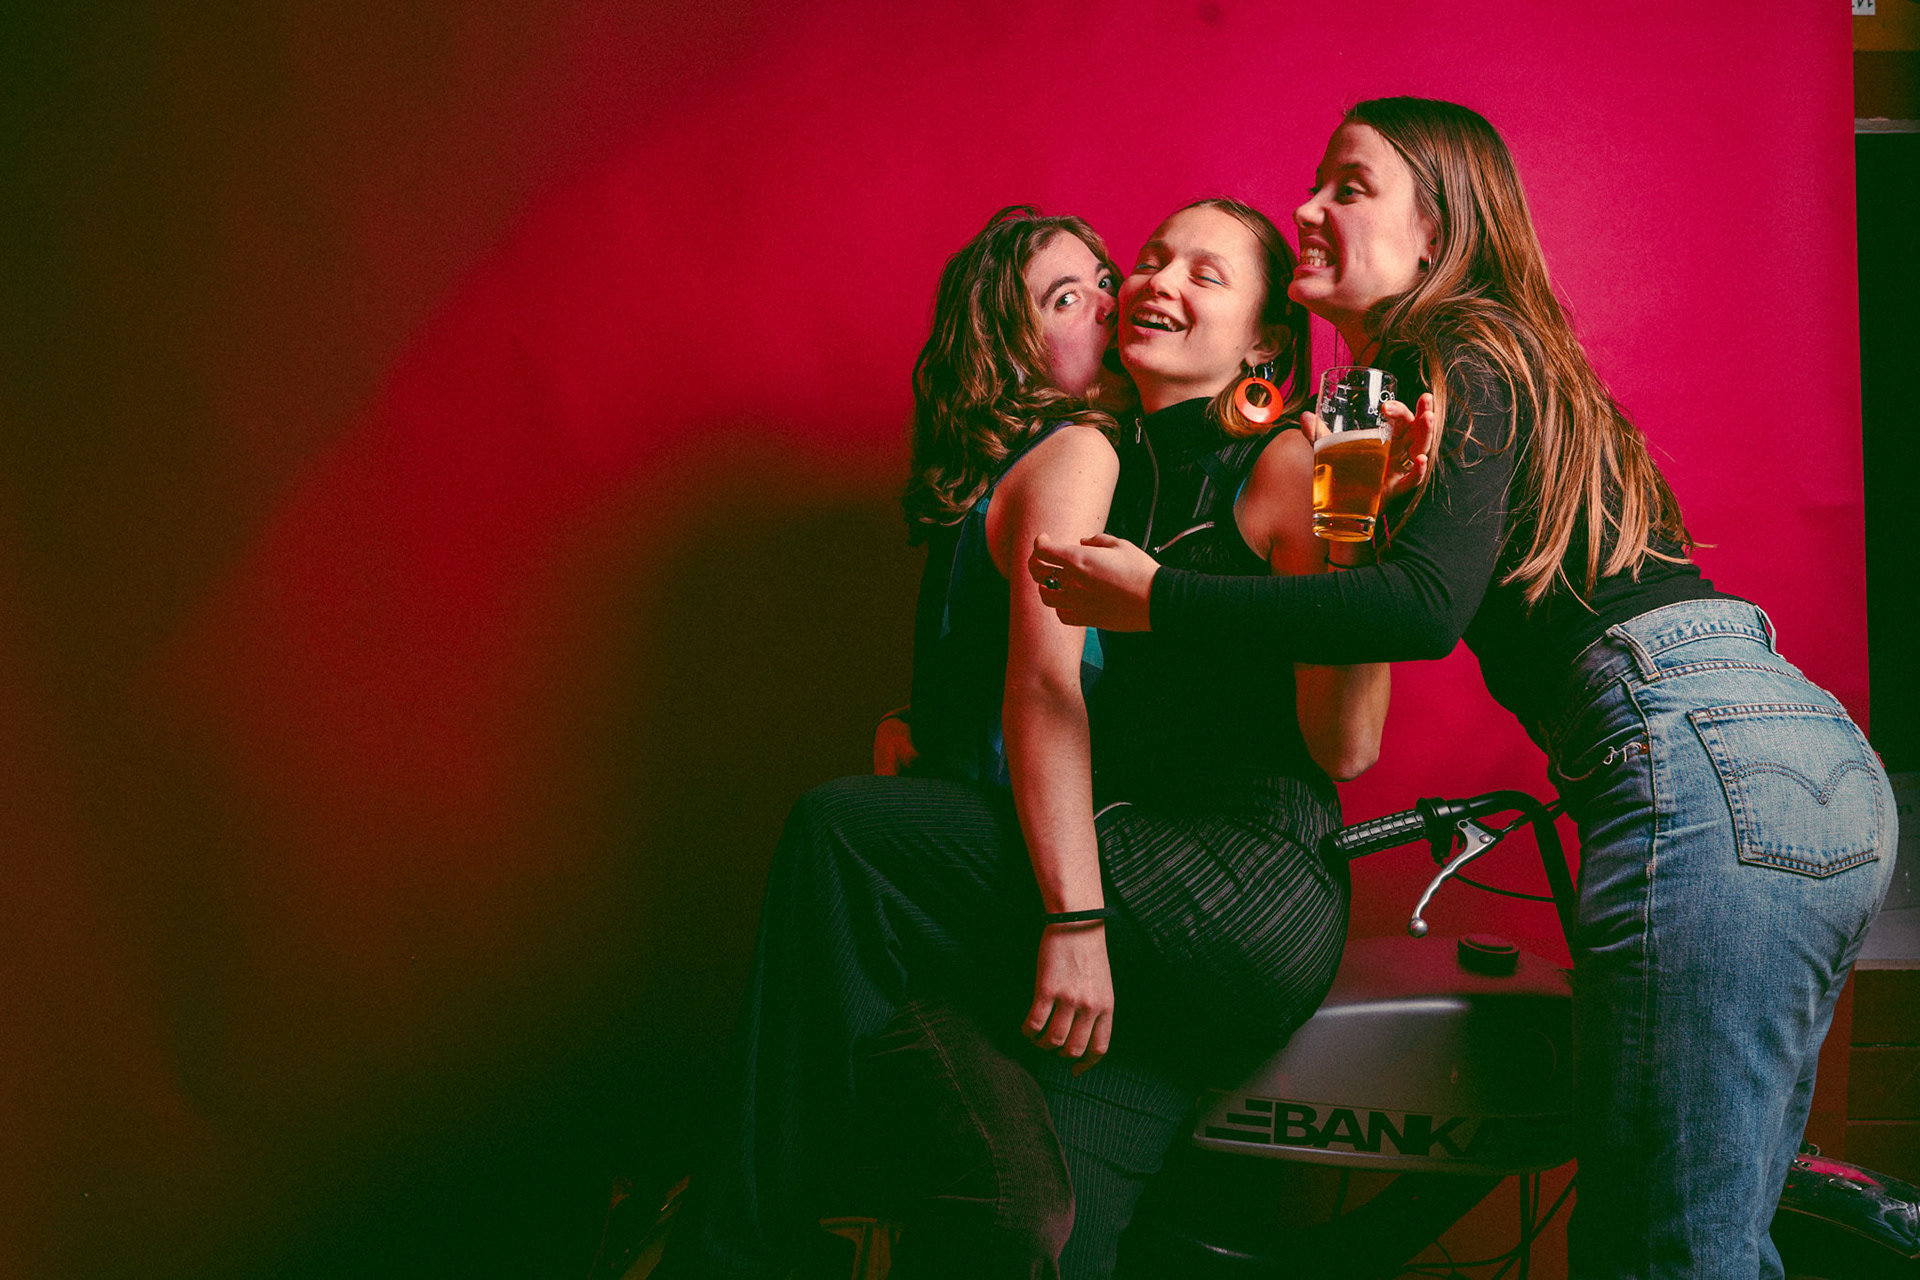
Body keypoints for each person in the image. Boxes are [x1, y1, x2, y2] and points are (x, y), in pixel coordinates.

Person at [1030, 98, 1897, 1280]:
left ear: (1437, 229)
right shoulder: (1460, 371)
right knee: (1710, 1236)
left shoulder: (1460, 344)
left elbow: (1420, 609)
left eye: (1349, 185)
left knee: (1663, 1252)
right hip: (1788, 755)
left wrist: (1156, 596)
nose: (1309, 208)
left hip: (1701, 756)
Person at [655, 198, 1396, 1280]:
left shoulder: (1284, 465)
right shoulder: (1115, 468)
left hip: (1242, 885)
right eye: (1151, 259)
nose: (1156, 281)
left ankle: (727, 1250)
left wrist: (1354, 540)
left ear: (1264, 343)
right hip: (1155, 947)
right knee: (1033, 1228)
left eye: (1206, 274)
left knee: (841, 832)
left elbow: (1345, 749)